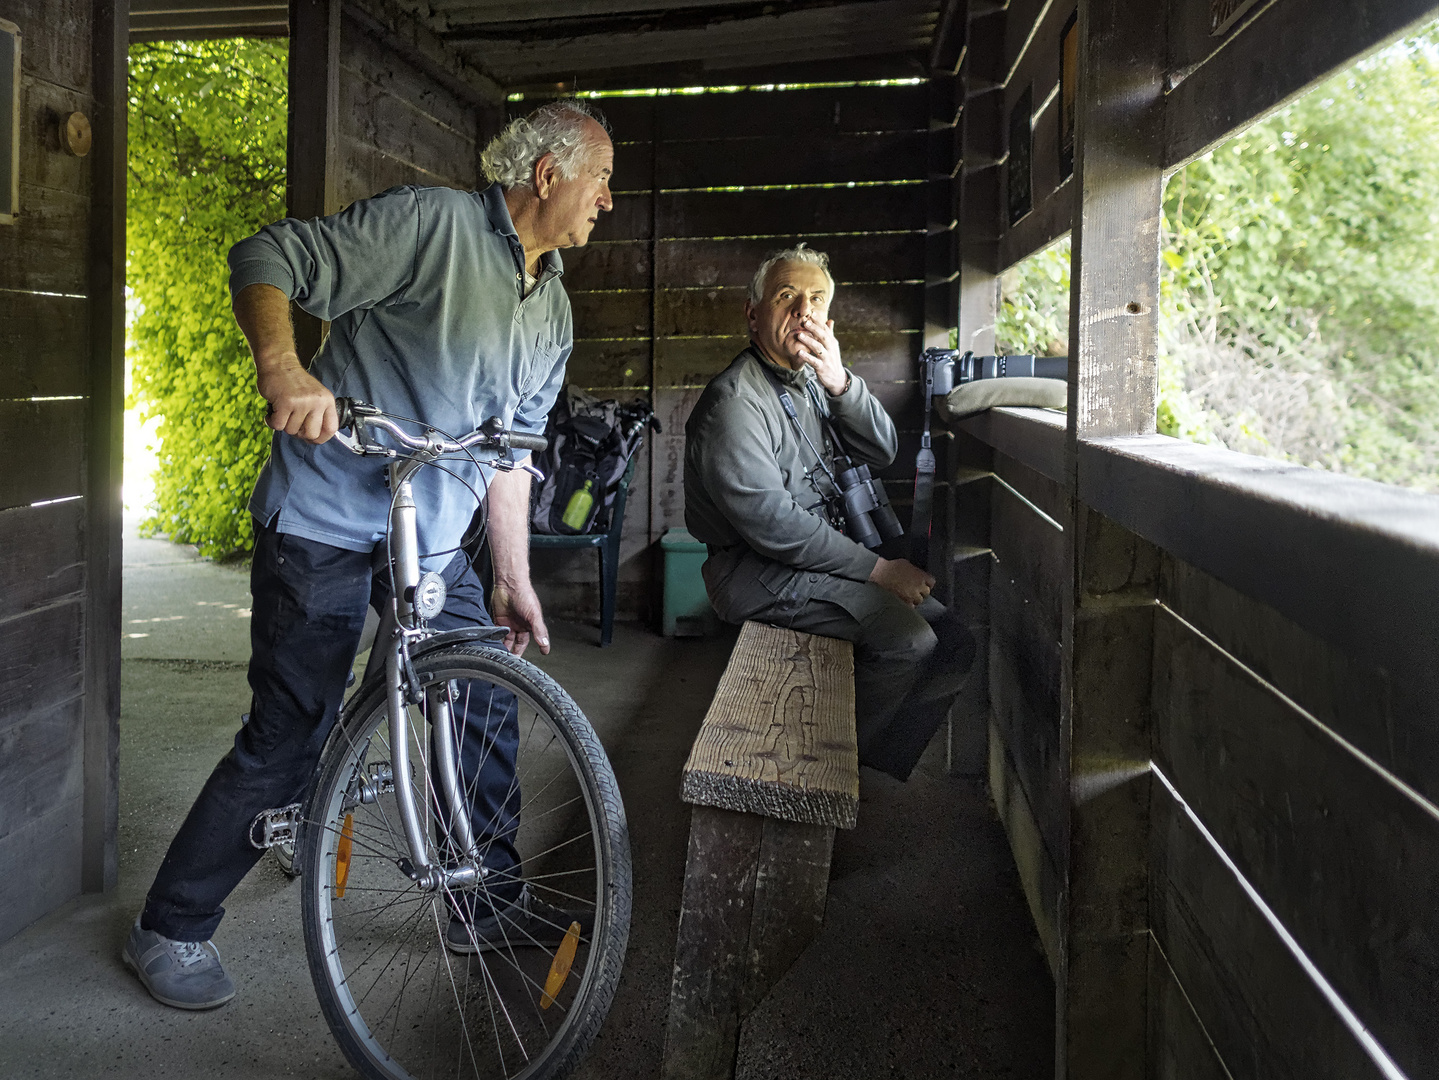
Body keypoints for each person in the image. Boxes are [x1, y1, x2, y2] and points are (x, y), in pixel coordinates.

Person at [122, 99, 615, 1010]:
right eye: (601, 179)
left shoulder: (551, 309)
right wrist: (284, 368)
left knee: (480, 689)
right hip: (324, 522)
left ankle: (480, 895)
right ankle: (172, 924)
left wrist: (510, 578)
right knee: (288, 734)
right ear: (547, 176)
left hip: (428, 537)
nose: (608, 201)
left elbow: (510, 456)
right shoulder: (428, 226)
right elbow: (268, 259)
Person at [683, 245, 974, 781]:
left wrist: (841, 383)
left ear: (828, 319)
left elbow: (884, 450)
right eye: (786, 297)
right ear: (753, 314)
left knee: (955, 640)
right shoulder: (733, 403)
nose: (802, 311)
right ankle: (821, 776)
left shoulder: (816, 380)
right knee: (909, 640)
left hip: (816, 559)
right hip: (754, 571)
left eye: (815, 300)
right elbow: (776, 526)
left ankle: (867, 767)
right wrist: (881, 571)